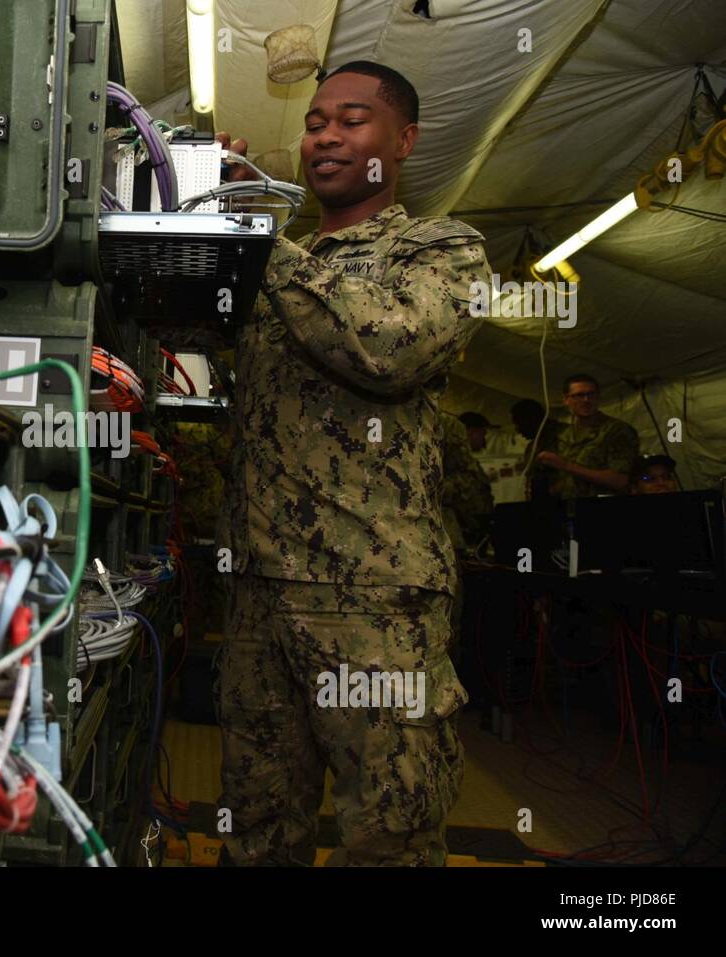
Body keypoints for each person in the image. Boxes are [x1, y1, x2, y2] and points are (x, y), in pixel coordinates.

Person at [215, 60, 488, 866]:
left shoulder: (443, 249)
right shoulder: (274, 261)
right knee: (256, 828)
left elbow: (389, 347)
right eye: (313, 121)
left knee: (389, 834)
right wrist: (203, 218)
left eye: (351, 119)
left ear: (402, 141)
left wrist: (261, 236)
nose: (325, 135)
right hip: (259, 593)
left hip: (372, 598)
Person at [535, 374, 639, 498]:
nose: (586, 400)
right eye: (579, 395)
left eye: (591, 394)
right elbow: (572, 479)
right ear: (566, 400)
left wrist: (566, 466)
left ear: (598, 397)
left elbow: (620, 480)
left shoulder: (617, 431)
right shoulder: (565, 434)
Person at [441, 412, 494, 549]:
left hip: (474, 533)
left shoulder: (469, 464)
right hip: (459, 531)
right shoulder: (452, 465)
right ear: (470, 432)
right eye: (483, 434)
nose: (484, 440)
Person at [508, 398, 563, 500]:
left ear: (530, 420)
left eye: (518, 424)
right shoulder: (533, 446)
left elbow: (577, 472)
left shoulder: (564, 437)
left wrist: (552, 491)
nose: (517, 430)